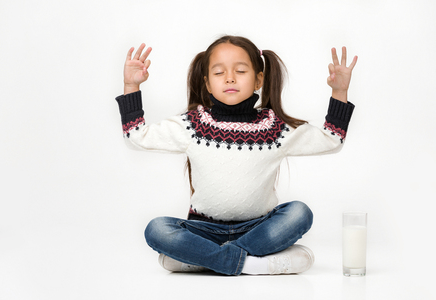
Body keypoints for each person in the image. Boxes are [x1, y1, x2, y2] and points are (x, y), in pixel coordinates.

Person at [115, 35, 357, 276]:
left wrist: (339, 91)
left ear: (258, 79)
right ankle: (249, 262)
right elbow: (136, 136)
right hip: (203, 229)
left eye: (240, 70)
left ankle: (205, 258)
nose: (230, 78)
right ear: (208, 83)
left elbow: (332, 139)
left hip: (258, 229)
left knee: (299, 213)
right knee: (157, 229)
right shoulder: (193, 124)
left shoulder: (275, 128)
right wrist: (131, 87)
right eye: (219, 73)